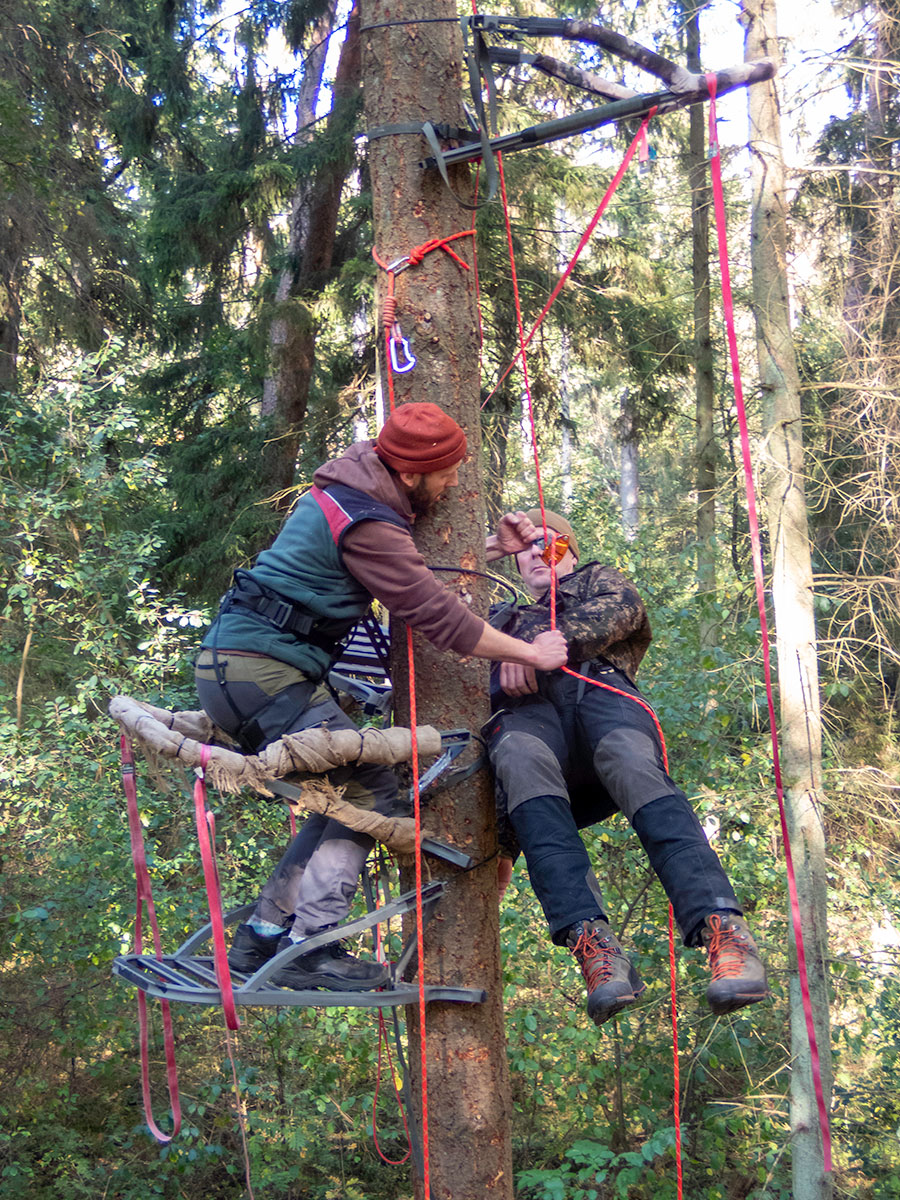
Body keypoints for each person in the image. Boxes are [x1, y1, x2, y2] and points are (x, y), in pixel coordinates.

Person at [194, 403, 566, 991]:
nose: (453, 484)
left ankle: (265, 938)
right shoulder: (368, 520)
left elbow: (401, 565)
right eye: (446, 473)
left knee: (342, 792)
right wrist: (530, 654)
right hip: (260, 673)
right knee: (372, 788)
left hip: (240, 668)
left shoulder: (356, 487)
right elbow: (438, 616)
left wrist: (487, 549)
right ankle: (309, 946)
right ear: (413, 473)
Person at [485, 507, 769, 1026]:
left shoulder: (598, 581)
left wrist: (533, 651)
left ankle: (724, 928)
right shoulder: (501, 616)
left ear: (570, 550)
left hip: (598, 696)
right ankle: (593, 945)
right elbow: (445, 635)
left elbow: (621, 610)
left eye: (550, 545)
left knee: (632, 762)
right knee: (520, 760)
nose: (537, 555)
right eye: (527, 550)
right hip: (531, 721)